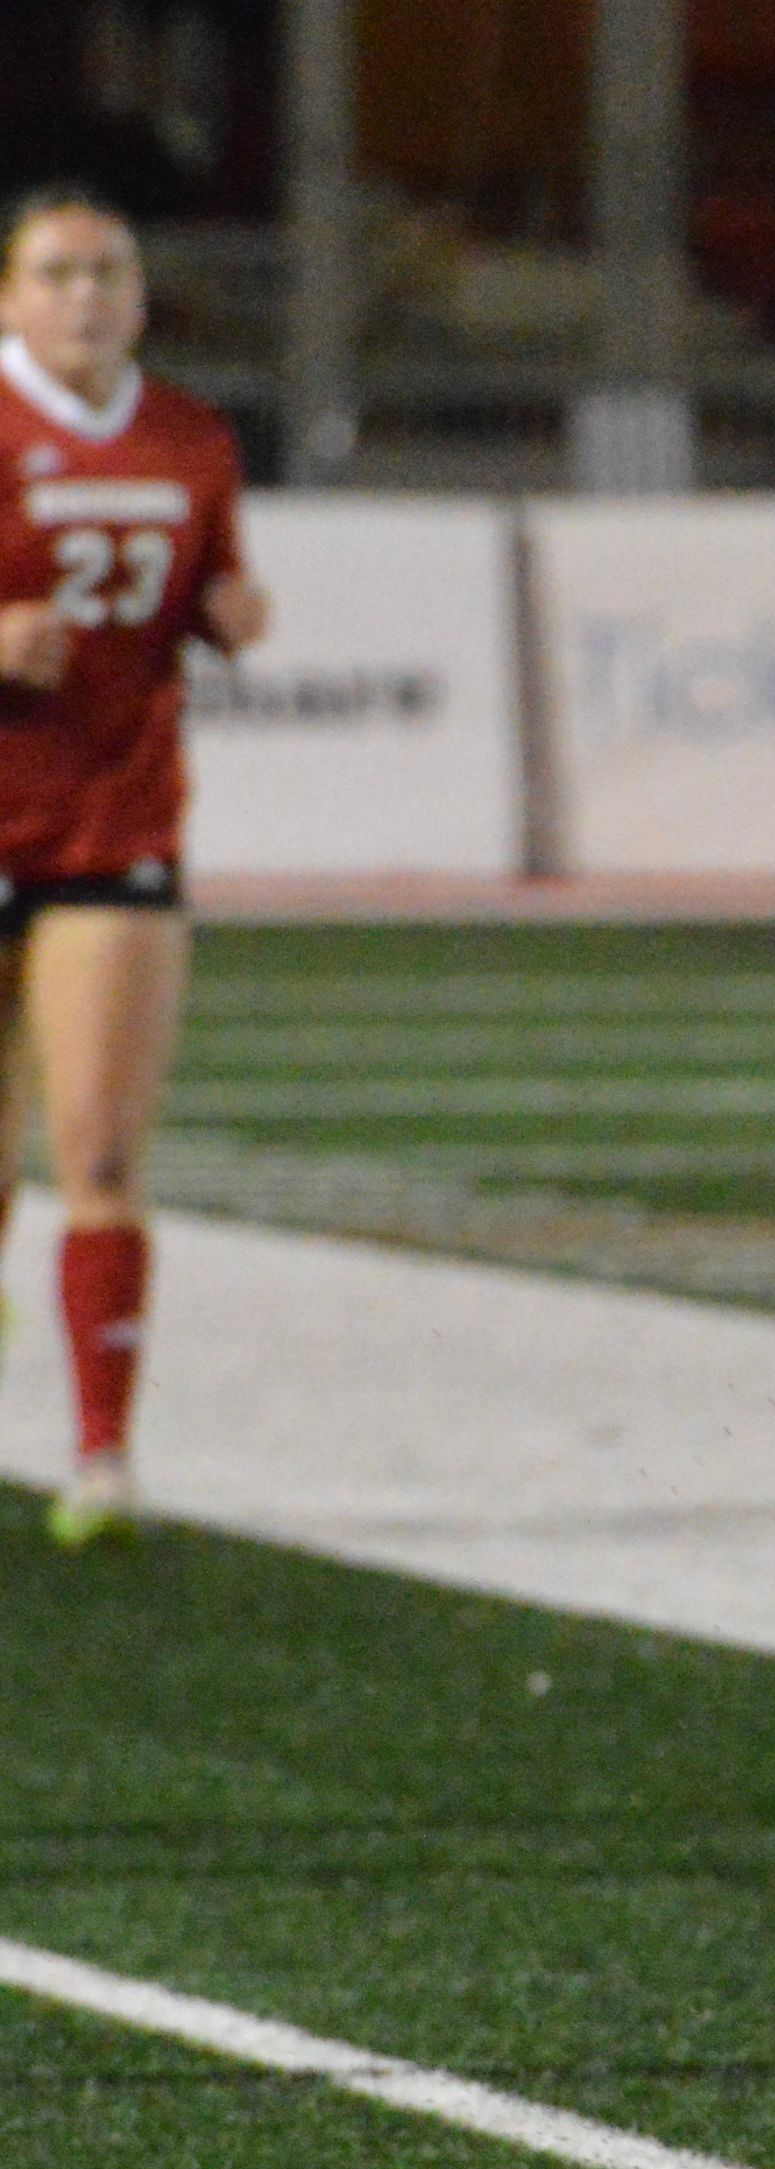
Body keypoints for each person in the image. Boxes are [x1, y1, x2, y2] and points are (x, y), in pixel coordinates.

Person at [0, 184, 265, 1546]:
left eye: (109, 269)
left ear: (143, 294)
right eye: (57, 271)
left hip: (112, 819)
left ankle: (103, 1453)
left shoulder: (189, 437)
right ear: (8, 295)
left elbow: (216, 585)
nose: (87, 294)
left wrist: (231, 612)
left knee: (100, 1144)